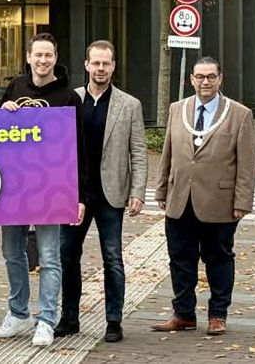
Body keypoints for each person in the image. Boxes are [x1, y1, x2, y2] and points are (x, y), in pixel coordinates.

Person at [153, 56, 255, 336]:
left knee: (218, 259)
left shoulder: (239, 114)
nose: (205, 82)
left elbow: (247, 164)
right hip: (180, 199)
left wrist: (242, 201)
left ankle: (217, 315)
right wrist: (161, 188)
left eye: (211, 76)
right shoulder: (177, 109)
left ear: (220, 78)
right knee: (180, 260)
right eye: (200, 76)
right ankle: (184, 314)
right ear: (191, 79)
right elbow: (168, 152)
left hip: (219, 203)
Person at [0, 32, 88, 347]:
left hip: (53, 188)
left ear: (55, 58)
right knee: (12, 253)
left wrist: (80, 196)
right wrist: (2, 110)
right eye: (38, 55)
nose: (43, 60)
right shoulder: (15, 87)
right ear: (28, 57)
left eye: (48, 55)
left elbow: (80, 149)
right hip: (14, 187)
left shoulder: (69, 97)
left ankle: (47, 319)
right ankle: (18, 312)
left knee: (49, 257)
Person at [56, 40, 147, 343]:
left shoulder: (129, 105)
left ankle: (113, 321)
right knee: (68, 257)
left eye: (106, 63)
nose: (100, 68)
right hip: (76, 195)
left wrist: (137, 191)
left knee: (113, 259)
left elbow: (138, 152)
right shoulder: (71, 100)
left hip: (112, 194)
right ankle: (69, 318)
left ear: (113, 66)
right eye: (95, 63)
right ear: (86, 65)